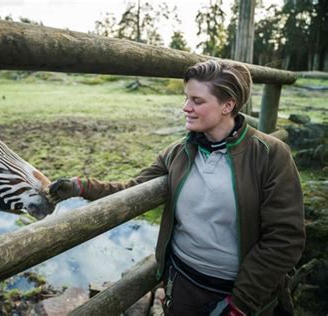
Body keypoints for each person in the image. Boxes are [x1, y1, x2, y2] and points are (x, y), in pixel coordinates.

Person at [48, 59, 305, 316]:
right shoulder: (177, 152)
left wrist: (242, 303)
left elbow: (285, 237)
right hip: (181, 282)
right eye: (186, 98)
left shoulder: (270, 154)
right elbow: (131, 190)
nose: (186, 107)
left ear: (228, 105)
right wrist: (80, 187)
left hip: (238, 291)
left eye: (197, 101)